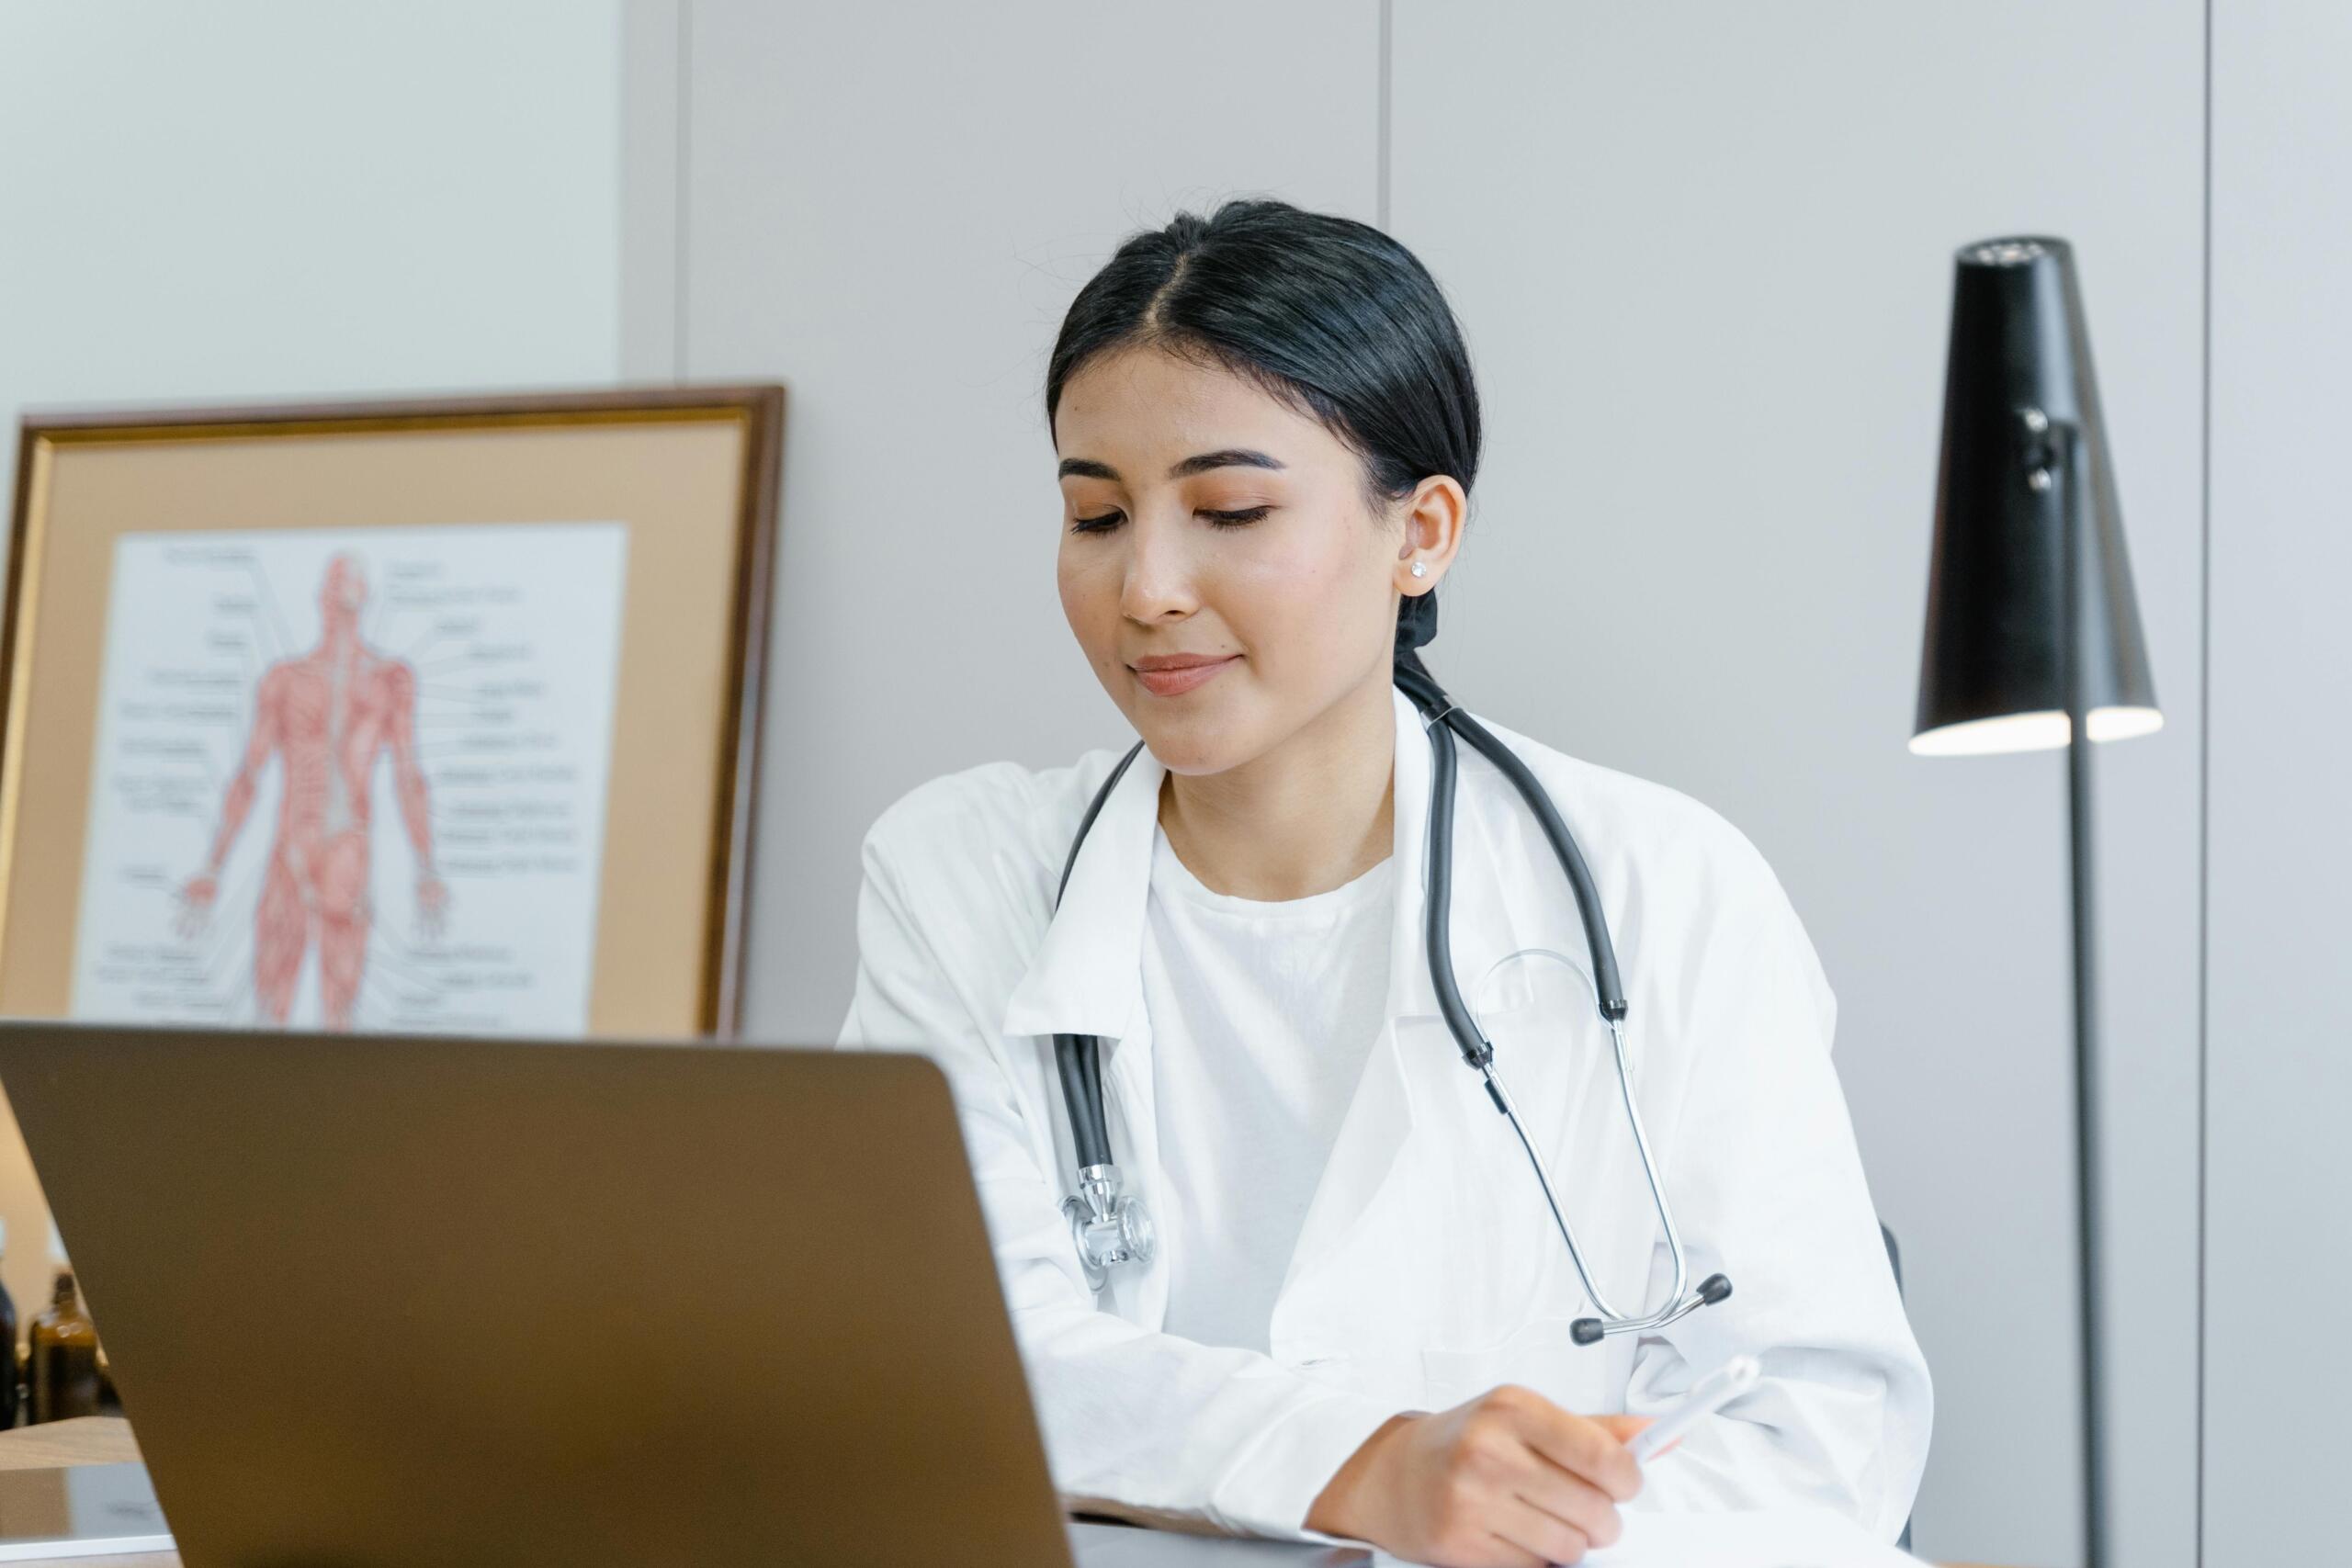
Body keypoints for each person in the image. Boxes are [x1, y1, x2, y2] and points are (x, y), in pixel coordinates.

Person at [835, 197, 1930, 1566]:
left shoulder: (1664, 888)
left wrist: (1502, 1518)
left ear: (1420, 535)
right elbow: (961, 1368)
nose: (1148, 587)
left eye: (1230, 509)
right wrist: (1364, 1466)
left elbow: (1817, 1433)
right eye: (1097, 515)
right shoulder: (965, 874)